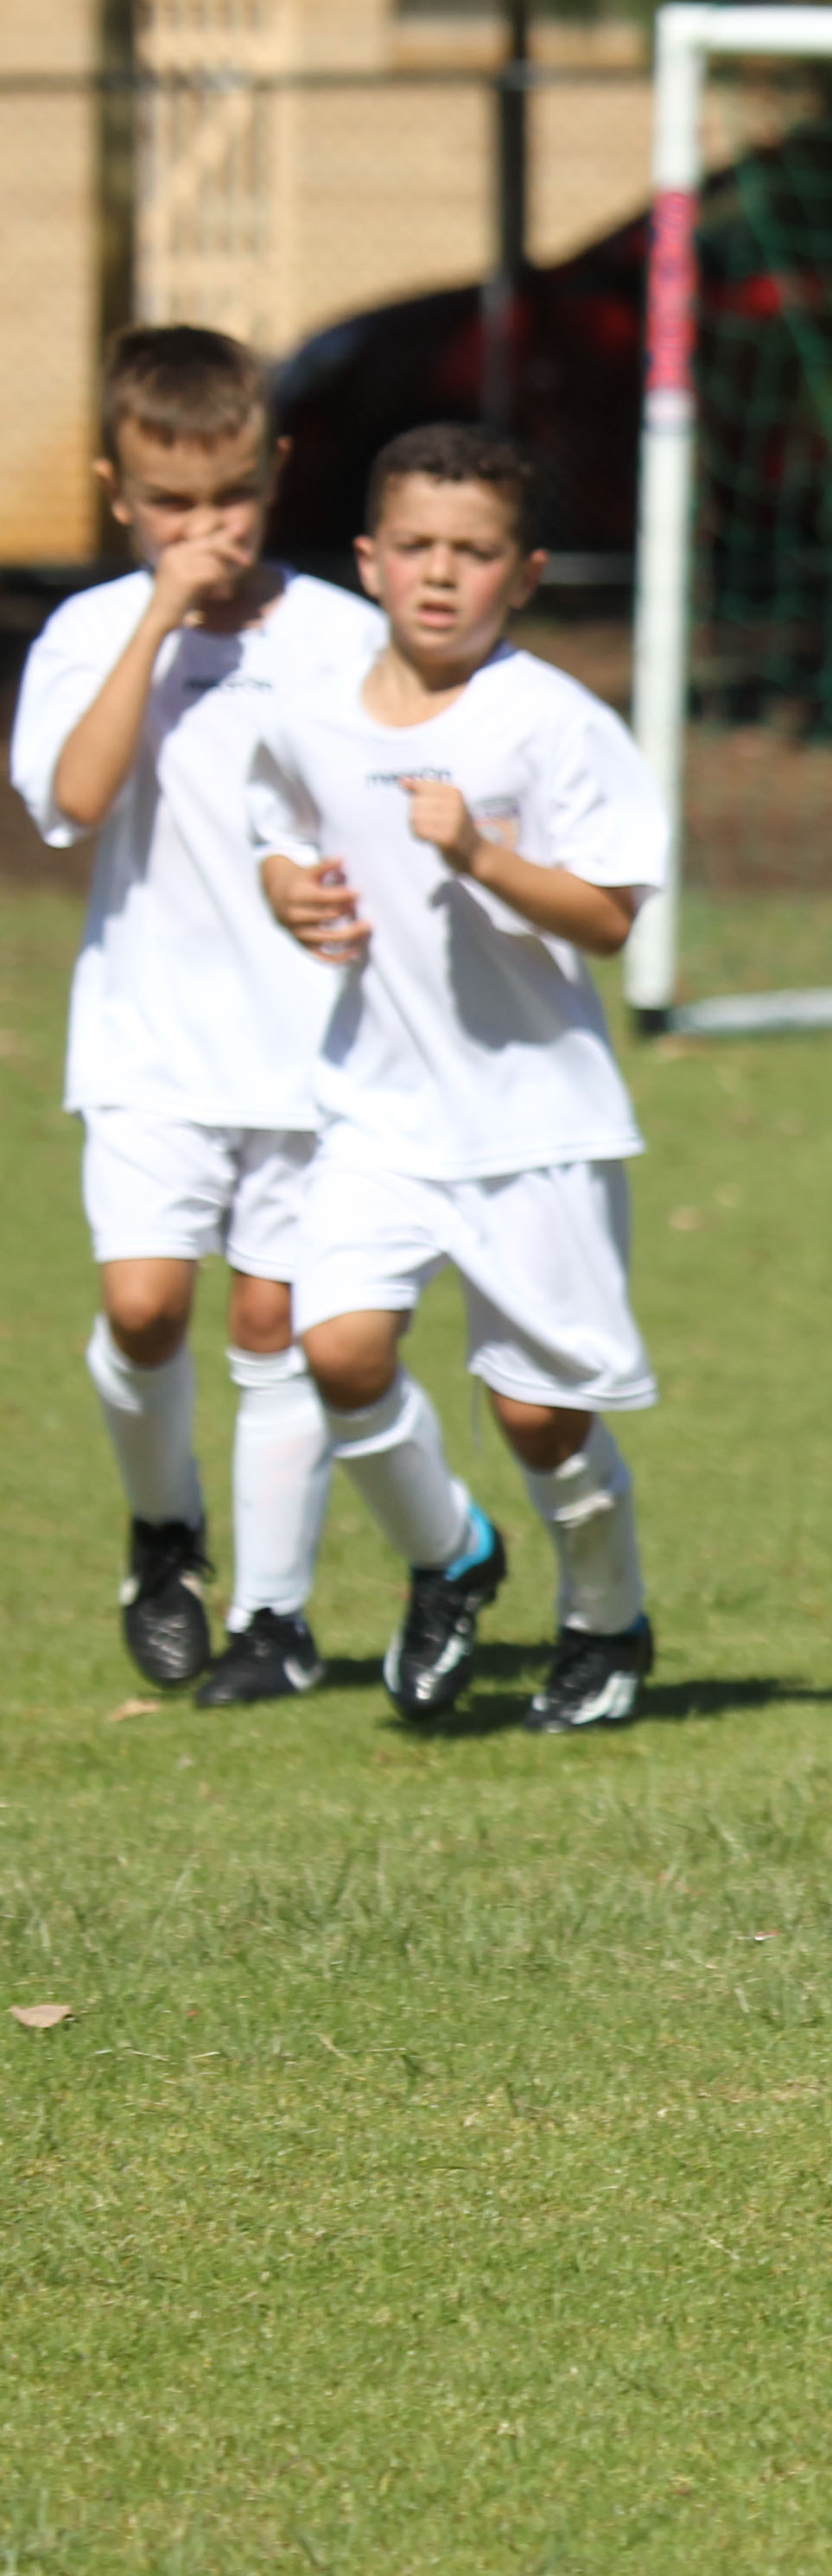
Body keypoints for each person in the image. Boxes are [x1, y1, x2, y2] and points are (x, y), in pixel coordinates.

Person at [247, 423, 670, 1734]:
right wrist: (289, 893)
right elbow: (280, 829)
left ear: (525, 572)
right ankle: (450, 1557)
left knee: (540, 1416)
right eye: (417, 548)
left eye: (474, 553)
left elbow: (608, 918)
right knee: (338, 1346)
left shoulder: (549, 722)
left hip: (533, 1120)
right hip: (374, 1107)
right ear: (370, 561)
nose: (442, 576)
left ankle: (608, 1619)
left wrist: (485, 857)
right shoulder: (311, 714)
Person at [9, 328, 378, 1703]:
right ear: (119, 493)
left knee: (278, 1326)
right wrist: (161, 617)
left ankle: (276, 1622)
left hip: (314, 1051)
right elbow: (76, 800)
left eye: (230, 498)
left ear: (275, 474)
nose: (205, 528)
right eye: (173, 505)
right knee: (146, 1306)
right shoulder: (94, 633)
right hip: (150, 1043)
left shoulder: (340, 638)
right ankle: (164, 1530)